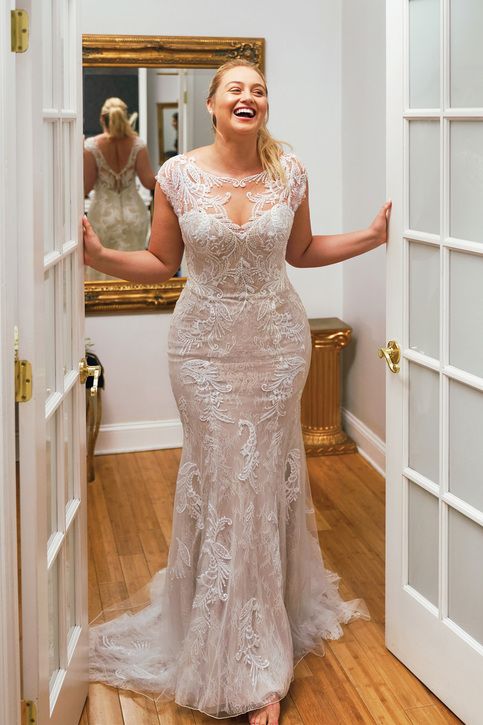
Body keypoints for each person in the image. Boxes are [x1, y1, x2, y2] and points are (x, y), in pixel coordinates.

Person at [83, 60, 391, 725]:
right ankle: (224, 637)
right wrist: (103, 257)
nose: (248, 96)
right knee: (223, 482)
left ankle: (258, 660)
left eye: (258, 89)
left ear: (262, 107)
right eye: (236, 89)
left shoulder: (290, 172)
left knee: (259, 486)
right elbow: (163, 260)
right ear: (213, 106)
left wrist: (369, 236)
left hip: (277, 346)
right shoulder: (175, 175)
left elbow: (301, 252)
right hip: (201, 350)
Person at [83, 96, 156, 281]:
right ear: (124, 116)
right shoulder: (137, 144)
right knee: (134, 263)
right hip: (134, 215)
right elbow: (149, 182)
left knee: (102, 265)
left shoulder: (91, 146)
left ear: (102, 119)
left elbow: (86, 186)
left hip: (103, 215)